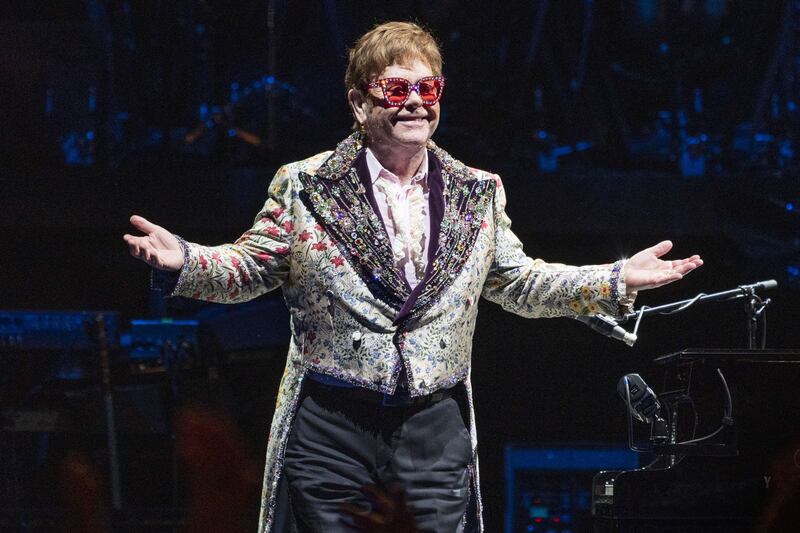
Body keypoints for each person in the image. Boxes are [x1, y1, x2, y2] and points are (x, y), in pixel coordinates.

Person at [123, 21, 702, 533]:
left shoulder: (477, 192)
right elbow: (252, 266)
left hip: (434, 424)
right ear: (358, 102)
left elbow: (520, 282)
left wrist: (616, 278)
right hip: (333, 423)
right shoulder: (307, 186)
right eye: (397, 89)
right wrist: (188, 261)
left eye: (428, 89)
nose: (415, 103)